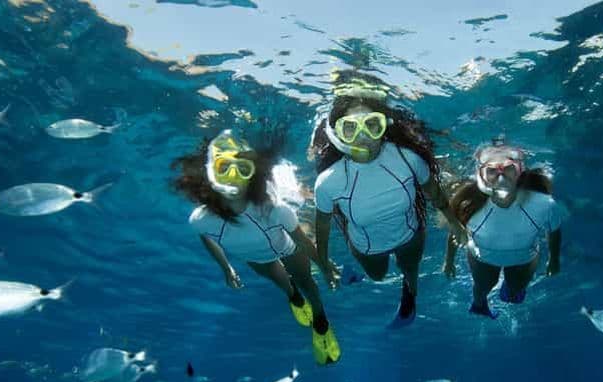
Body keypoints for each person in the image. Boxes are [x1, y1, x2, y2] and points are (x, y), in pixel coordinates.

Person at [310, 75, 468, 328]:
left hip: (410, 235)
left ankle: (409, 299)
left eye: (372, 124)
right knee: (378, 275)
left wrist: (455, 223)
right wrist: (324, 262)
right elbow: (323, 226)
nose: (363, 137)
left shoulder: (408, 159)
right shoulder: (329, 182)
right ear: (337, 134)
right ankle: (359, 275)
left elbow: (434, 193)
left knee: (410, 272)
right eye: (350, 128)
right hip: (366, 246)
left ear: (384, 127)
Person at [172, 129, 341, 365]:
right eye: (224, 168)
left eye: (243, 169)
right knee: (285, 283)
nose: (233, 176)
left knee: (308, 283)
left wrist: (323, 264)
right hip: (256, 258)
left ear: (253, 176)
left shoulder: (276, 209)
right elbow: (207, 237)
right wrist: (226, 268)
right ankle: (294, 298)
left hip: (288, 248)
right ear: (211, 174)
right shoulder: (200, 219)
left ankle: (321, 324)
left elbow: (302, 241)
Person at [442, 140, 564, 318]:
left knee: (515, 290)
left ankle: (512, 289)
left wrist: (554, 260)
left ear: (520, 171)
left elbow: (554, 230)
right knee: (483, 287)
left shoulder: (544, 204)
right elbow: (455, 233)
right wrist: (449, 260)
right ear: (481, 176)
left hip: (524, 257)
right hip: (483, 257)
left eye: (508, 169)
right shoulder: (468, 205)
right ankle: (480, 305)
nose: (501, 177)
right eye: (492, 171)